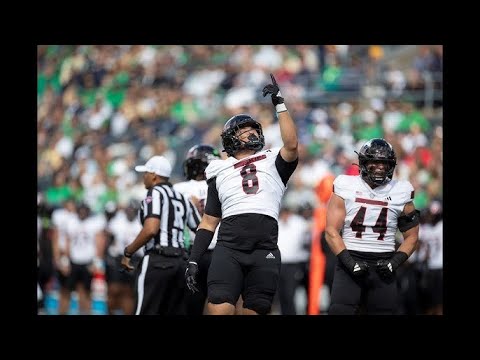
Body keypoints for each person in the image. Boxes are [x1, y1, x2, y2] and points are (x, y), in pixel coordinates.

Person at [184, 73, 299, 315]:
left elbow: (291, 145)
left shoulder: (272, 161)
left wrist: (280, 103)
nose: (251, 133)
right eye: (244, 131)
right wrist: (195, 258)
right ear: (230, 139)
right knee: (220, 310)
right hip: (229, 248)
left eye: (252, 129)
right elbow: (209, 221)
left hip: (264, 248)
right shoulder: (219, 170)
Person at [325, 138, 419, 315]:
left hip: (384, 263)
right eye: (375, 161)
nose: (380, 166)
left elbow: (412, 237)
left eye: (384, 162)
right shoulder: (346, 185)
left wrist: (394, 263)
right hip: (350, 258)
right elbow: (331, 231)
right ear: (363, 162)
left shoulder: (401, 190)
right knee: (340, 311)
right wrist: (350, 263)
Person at [121, 155, 201, 315]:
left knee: (144, 311)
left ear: (154, 176)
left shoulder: (154, 193)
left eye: (146, 173)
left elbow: (151, 229)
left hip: (158, 260)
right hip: (180, 263)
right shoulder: (182, 198)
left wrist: (128, 252)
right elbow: (201, 229)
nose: (144, 177)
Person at [173, 144, 222, 315]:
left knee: (191, 303)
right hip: (220, 251)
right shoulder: (224, 184)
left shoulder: (179, 189)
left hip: (192, 251)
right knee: (222, 302)